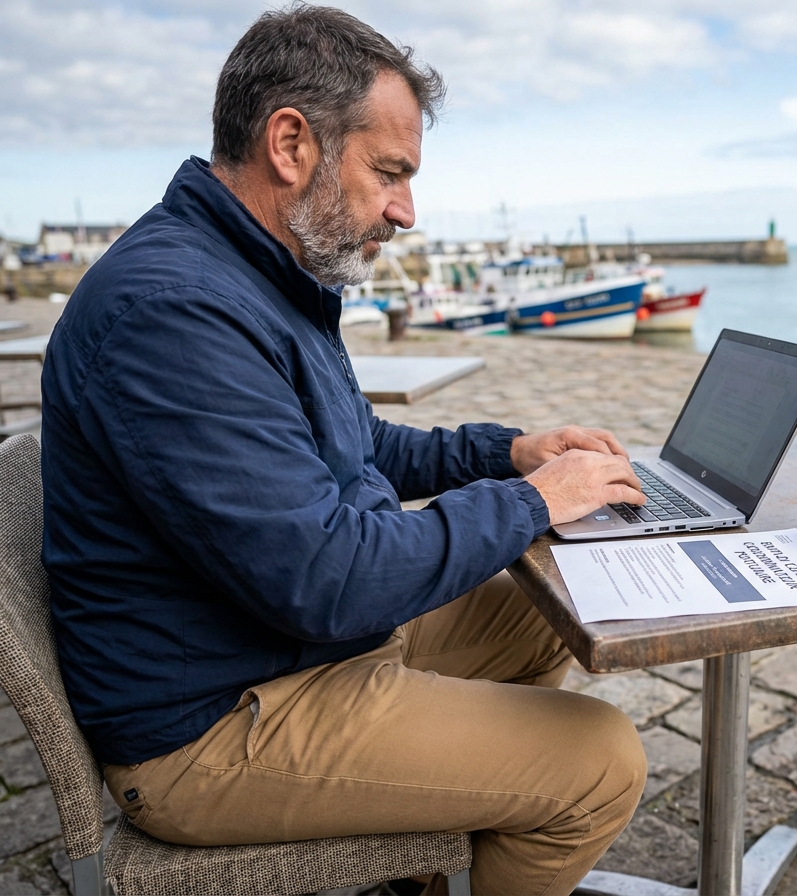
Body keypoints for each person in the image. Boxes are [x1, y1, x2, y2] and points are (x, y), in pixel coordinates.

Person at [40, 6, 649, 894]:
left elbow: (358, 444)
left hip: (277, 645)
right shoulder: (175, 313)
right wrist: (536, 502)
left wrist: (511, 453)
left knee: (540, 600)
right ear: (291, 143)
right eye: (390, 173)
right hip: (212, 723)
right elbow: (329, 580)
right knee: (598, 761)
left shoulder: (262, 273)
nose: (406, 211)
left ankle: (418, 862)